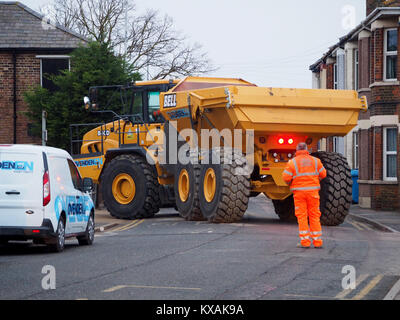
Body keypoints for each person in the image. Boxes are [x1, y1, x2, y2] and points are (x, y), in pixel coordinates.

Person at [282, 142, 327, 248]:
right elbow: (323, 174)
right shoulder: (316, 161)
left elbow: (286, 178)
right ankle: (317, 241)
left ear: (297, 150)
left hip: (299, 194)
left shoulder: (292, 162)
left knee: (302, 216)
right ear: (307, 149)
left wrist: (291, 183)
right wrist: (316, 180)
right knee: (314, 215)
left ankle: (305, 242)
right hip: (313, 193)